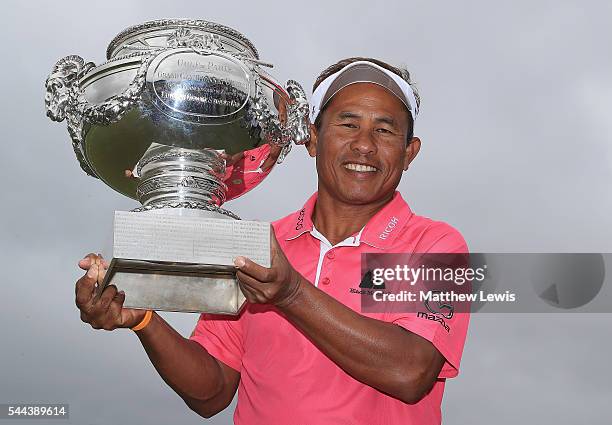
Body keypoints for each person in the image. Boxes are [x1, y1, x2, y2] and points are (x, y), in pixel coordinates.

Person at [76, 57, 469, 425]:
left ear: (409, 153)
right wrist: (143, 319)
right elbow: (211, 392)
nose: (364, 144)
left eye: (384, 129)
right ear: (312, 139)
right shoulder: (262, 247)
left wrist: (292, 293)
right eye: (347, 124)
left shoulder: (436, 244)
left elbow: (411, 371)